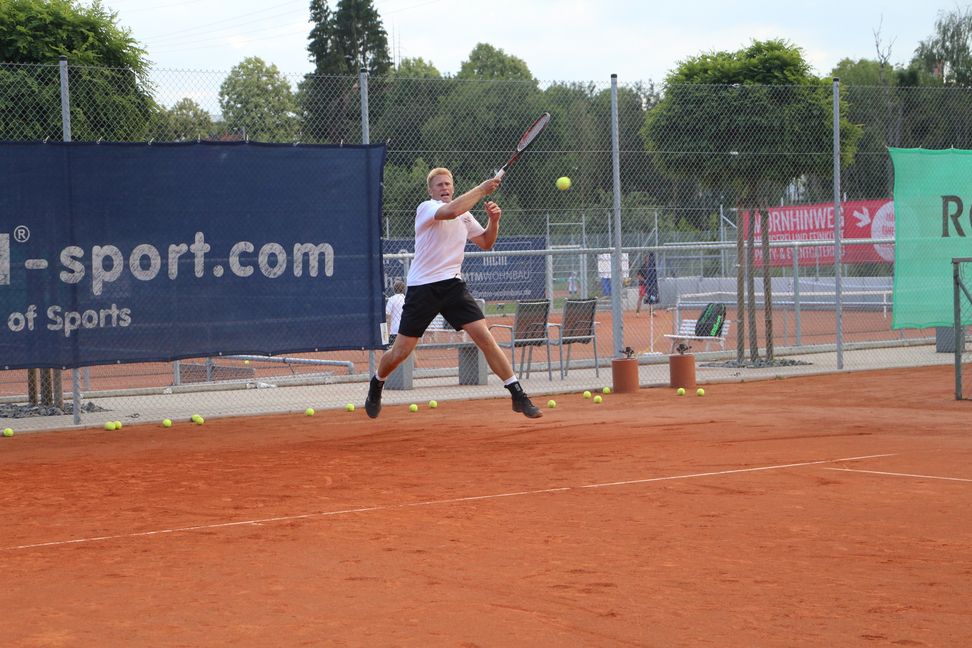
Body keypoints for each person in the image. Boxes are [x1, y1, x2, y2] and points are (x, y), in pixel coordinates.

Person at [364, 168, 543, 419]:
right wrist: (482, 189)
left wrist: (494, 221)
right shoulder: (427, 208)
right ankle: (377, 383)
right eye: (439, 185)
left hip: (453, 286)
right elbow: (450, 212)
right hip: (423, 287)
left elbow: (486, 243)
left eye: (447, 184)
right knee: (401, 352)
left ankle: (517, 394)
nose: (444, 188)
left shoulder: (466, 216)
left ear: (453, 187)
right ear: (431, 190)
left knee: (485, 338)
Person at [385, 280, 406, 344]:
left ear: (394, 289)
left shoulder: (392, 299)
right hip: (405, 329)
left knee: (391, 349)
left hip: (394, 330)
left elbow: (387, 314)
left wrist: (387, 329)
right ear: (403, 289)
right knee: (407, 349)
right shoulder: (406, 299)